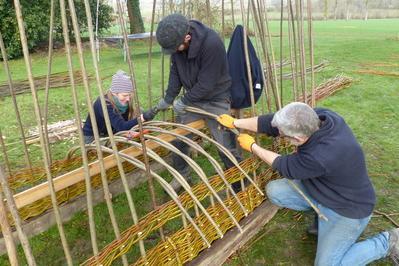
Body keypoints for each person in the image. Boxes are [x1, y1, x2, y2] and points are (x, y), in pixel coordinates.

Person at [217, 102, 399, 265]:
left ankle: (388, 242)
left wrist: (253, 147)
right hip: (326, 190)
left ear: (298, 139)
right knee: (275, 191)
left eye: (284, 136)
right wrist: (235, 123)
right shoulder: (320, 117)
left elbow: (285, 165)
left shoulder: (321, 156)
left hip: (348, 209)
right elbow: (272, 122)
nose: (280, 136)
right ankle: (319, 216)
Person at [155, 13, 242, 191]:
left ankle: (238, 179)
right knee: (179, 138)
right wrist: (169, 99)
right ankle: (182, 175)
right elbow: (176, 74)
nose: (174, 52)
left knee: (225, 142)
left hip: (216, 97)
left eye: (176, 47)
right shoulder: (177, 44)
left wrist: (184, 100)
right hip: (194, 98)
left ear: (187, 37)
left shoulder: (211, 43)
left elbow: (207, 83)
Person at [83, 70, 157, 144]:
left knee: (139, 110)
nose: (128, 99)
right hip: (95, 136)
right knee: (114, 148)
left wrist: (128, 132)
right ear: (114, 93)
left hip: (112, 131)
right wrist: (142, 118)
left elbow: (123, 123)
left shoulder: (123, 101)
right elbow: (121, 126)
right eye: (125, 95)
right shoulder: (103, 104)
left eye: (129, 95)